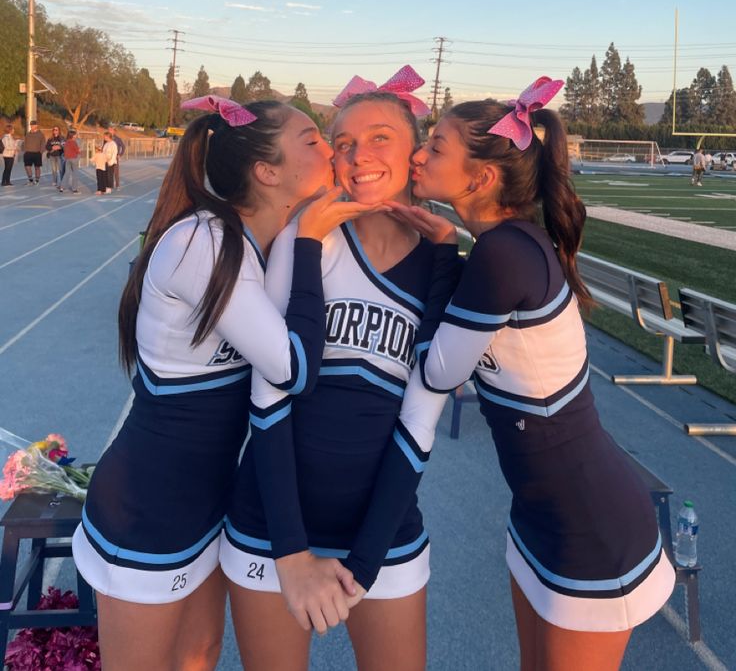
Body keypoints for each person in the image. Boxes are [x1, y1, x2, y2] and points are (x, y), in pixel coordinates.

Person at [360, 77, 675, 671]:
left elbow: (438, 371)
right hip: (539, 514)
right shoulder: (506, 245)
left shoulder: (504, 253)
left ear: (480, 178)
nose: (419, 155)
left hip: (590, 528)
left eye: (438, 146)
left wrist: (437, 256)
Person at [71, 96, 377, 671]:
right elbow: (295, 370)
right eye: (313, 141)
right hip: (147, 508)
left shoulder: (262, 244)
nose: (330, 150)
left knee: (199, 656)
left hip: (210, 504)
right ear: (267, 172)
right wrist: (310, 235)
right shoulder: (202, 241)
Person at [222, 67, 461, 671]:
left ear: (415, 150)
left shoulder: (442, 263)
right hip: (273, 531)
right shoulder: (309, 241)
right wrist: (292, 555)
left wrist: (363, 566)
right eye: (345, 143)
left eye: (380, 137)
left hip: (382, 533)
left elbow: (421, 418)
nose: (358, 155)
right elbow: (269, 400)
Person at [22, 120, 45, 184]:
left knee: (37, 167)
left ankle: (37, 180)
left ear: (36, 126)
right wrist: (25, 150)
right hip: (28, 153)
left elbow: (43, 143)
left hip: (37, 153)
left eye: (33, 125)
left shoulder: (40, 134)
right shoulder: (28, 134)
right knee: (27, 166)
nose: (32, 126)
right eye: (31, 125)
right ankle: (30, 179)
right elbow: (24, 142)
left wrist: (41, 152)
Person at [59, 128, 81, 193]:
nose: (76, 136)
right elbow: (77, 151)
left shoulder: (66, 142)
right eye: (75, 135)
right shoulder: (73, 142)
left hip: (67, 159)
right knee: (75, 174)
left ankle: (62, 187)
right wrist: (79, 151)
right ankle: (74, 189)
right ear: (73, 136)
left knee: (67, 173)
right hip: (74, 159)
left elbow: (65, 150)